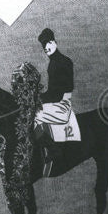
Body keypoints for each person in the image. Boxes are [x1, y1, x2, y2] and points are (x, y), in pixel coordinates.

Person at [34, 28, 75, 175]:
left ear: (55, 42)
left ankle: (53, 149)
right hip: (57, 100)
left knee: (35, 116)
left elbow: (58, 93)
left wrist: (39, 99)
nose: (46, 48)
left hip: (62, 104)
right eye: (44, 46)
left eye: (49, 43)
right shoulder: (55, 62)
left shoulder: (60, 63)